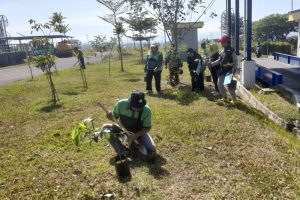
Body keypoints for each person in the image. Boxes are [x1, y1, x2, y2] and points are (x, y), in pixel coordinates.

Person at [105, 90, 156, 160]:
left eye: (140, 107)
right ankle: (123, 151)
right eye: (136, 107)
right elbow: (115, 118)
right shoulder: (121, 104)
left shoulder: (147, 110)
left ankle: (134, 143)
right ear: (130, 103)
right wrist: (109, 117)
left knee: (151, 148)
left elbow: (147, 128)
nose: (138, 109)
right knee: (106, 131)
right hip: (123, 130)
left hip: (138, 133)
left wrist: (136, 135)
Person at [207, 35, 238, 102]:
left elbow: (235, 61)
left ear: (227, 42)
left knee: (229, 87)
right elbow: (219, 60)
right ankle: (225, 98)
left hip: (229, 71)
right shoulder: (222, 51)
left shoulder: (232, 51)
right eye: (221, 42)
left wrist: (233, 70)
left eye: (223, 42)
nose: (221, 43)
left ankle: (234, 100)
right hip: (222, 71)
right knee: (219, 85)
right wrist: (212, 64)